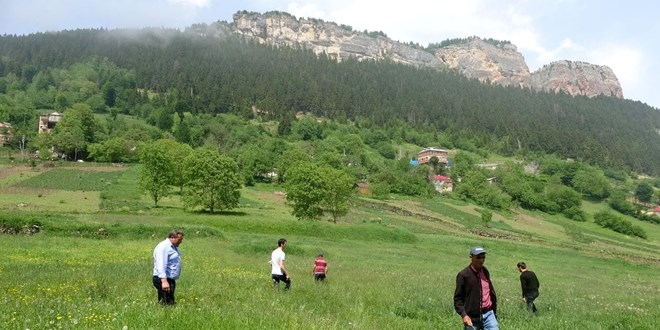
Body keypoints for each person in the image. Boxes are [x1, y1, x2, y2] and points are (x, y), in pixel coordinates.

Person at [454, 246, 499, 330]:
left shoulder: (485, 271)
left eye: (483, 257)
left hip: (489, 314)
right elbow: (458, 299)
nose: (481, 260)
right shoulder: (463, 275)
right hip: (472, 317)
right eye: (478, 257)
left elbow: (490, 291)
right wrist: (464, 315)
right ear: (471, 257)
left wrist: (494, 310)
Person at [152, 229, 184, 305]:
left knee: (169, 301)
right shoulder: (163, 247)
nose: (181, 242)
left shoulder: (172, 247)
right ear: (172, 237)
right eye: (179, 239)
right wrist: (164, 281)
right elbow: (161, 264)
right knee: (166, 303)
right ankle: (163, 315)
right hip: (163, 279)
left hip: (169, 279)